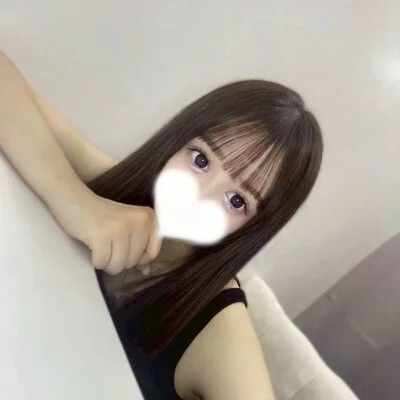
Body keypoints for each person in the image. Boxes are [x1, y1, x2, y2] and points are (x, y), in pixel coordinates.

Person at [0, 50, 323, 400]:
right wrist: (75, 201)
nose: (199, 196)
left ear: (254, 228)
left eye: (236, 201)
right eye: (200, 159)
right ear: (178, 140)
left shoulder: (216, 326)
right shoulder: (121, 192)